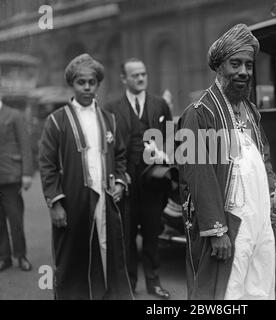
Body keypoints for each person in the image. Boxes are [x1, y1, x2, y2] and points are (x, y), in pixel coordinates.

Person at [177, 24, 276, 300]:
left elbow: (264, 157)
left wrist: (275, 192)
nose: (243, 72)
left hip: (259, 220)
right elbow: (198, 175)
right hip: (229, 222)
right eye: (235, 63)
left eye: (248, 65)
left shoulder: (250, 111)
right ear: (219, 67)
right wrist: (216, 230)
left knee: (260, 288)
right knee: (226, 292)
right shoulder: (198, 113)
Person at [38, 53, 133, 300]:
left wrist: (121, 182)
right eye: (81, 82)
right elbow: (47, 165)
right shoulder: (56, 121)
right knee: (72, 258)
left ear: (98, 84)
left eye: (92, 82)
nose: (87, 87)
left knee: (106, 251)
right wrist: (55, 203)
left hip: (106, 199)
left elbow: (121, 155)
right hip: (73, 201)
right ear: (72, 84)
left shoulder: (109, 119)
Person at [105, 58, 172, 299]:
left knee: (153, 233)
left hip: (153, 179)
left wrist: (164, 154)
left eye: (143, 74)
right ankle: (129, 284)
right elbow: (108, 148)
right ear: (124, 78)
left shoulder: (160, 105)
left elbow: (171, 139)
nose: (141, 78)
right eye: (135, 75)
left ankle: (154, 283)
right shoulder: (111, 108)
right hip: (127, 178)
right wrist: (118, 178)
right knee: (127, 233)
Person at [0, 96, 33, 272]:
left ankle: (20, 256)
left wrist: (27, 173)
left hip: (11, 176)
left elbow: (25, 145)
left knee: (15, 219)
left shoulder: (14, 115)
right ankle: (4, 258)